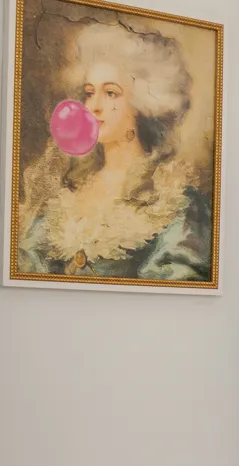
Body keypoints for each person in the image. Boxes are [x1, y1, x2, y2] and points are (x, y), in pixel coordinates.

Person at [18, 20, 211, 281]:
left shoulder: (173, 197)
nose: (94, 106)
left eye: (111, 93)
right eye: (89, 93)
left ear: (142, 103)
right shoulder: (68, 193)